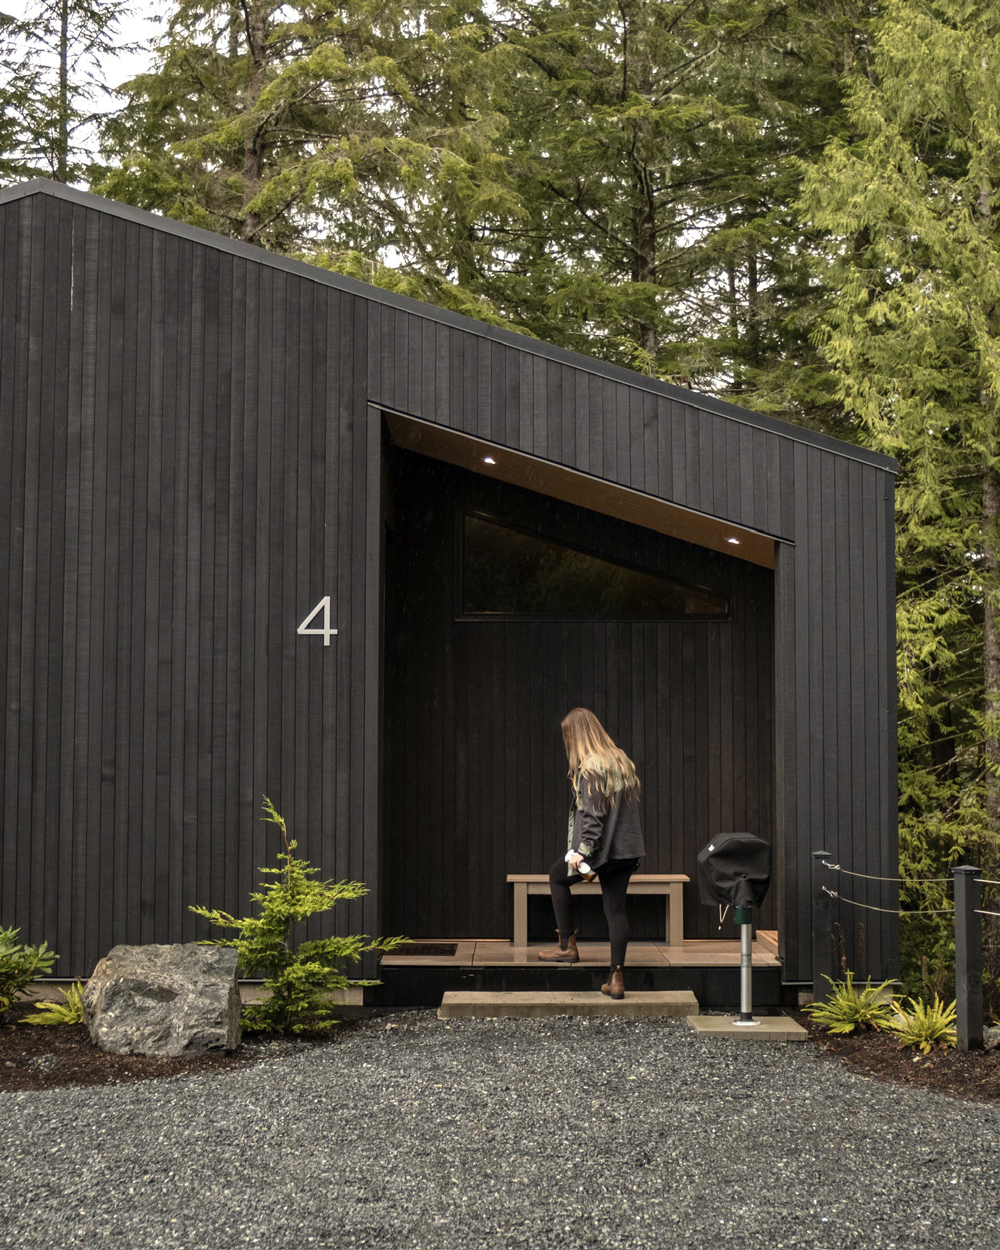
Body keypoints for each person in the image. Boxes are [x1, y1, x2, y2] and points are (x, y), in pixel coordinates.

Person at [538, 708, 645, 999]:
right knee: (615, 910)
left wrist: (581, 852)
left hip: (600, 849)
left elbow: (593, 816)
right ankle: (616, 977)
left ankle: (566, 947)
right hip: (627, 849)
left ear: (576, 736)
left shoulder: (591, 767)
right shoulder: (621, 760)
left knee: (556, 877)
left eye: (568, 737)